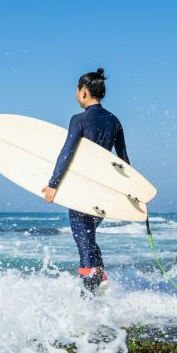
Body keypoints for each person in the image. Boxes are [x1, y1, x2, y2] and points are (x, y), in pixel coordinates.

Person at [41, 68, 129, 295]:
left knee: (83, 240)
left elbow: (66, 153)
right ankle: (99, 282)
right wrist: (127, 192)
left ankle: (89, 293)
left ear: (83, 92)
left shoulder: (79, 119)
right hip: (105, 193)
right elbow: (124, 162)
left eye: (77, 90)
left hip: (83, 192)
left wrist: (53, 184)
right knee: (88, 237)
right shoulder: (114, 121)